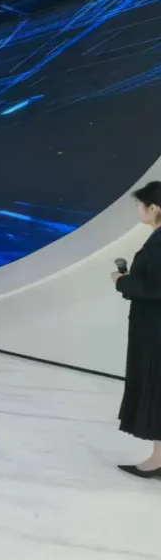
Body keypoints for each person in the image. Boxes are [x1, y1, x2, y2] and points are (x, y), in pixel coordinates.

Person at [113, 182, 161, 477]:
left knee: (155, 389)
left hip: (155, 330)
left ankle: (158, 460)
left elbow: (154, 287)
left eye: (139, 205)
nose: (137, 210)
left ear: (153, 208)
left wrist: (122, 282)